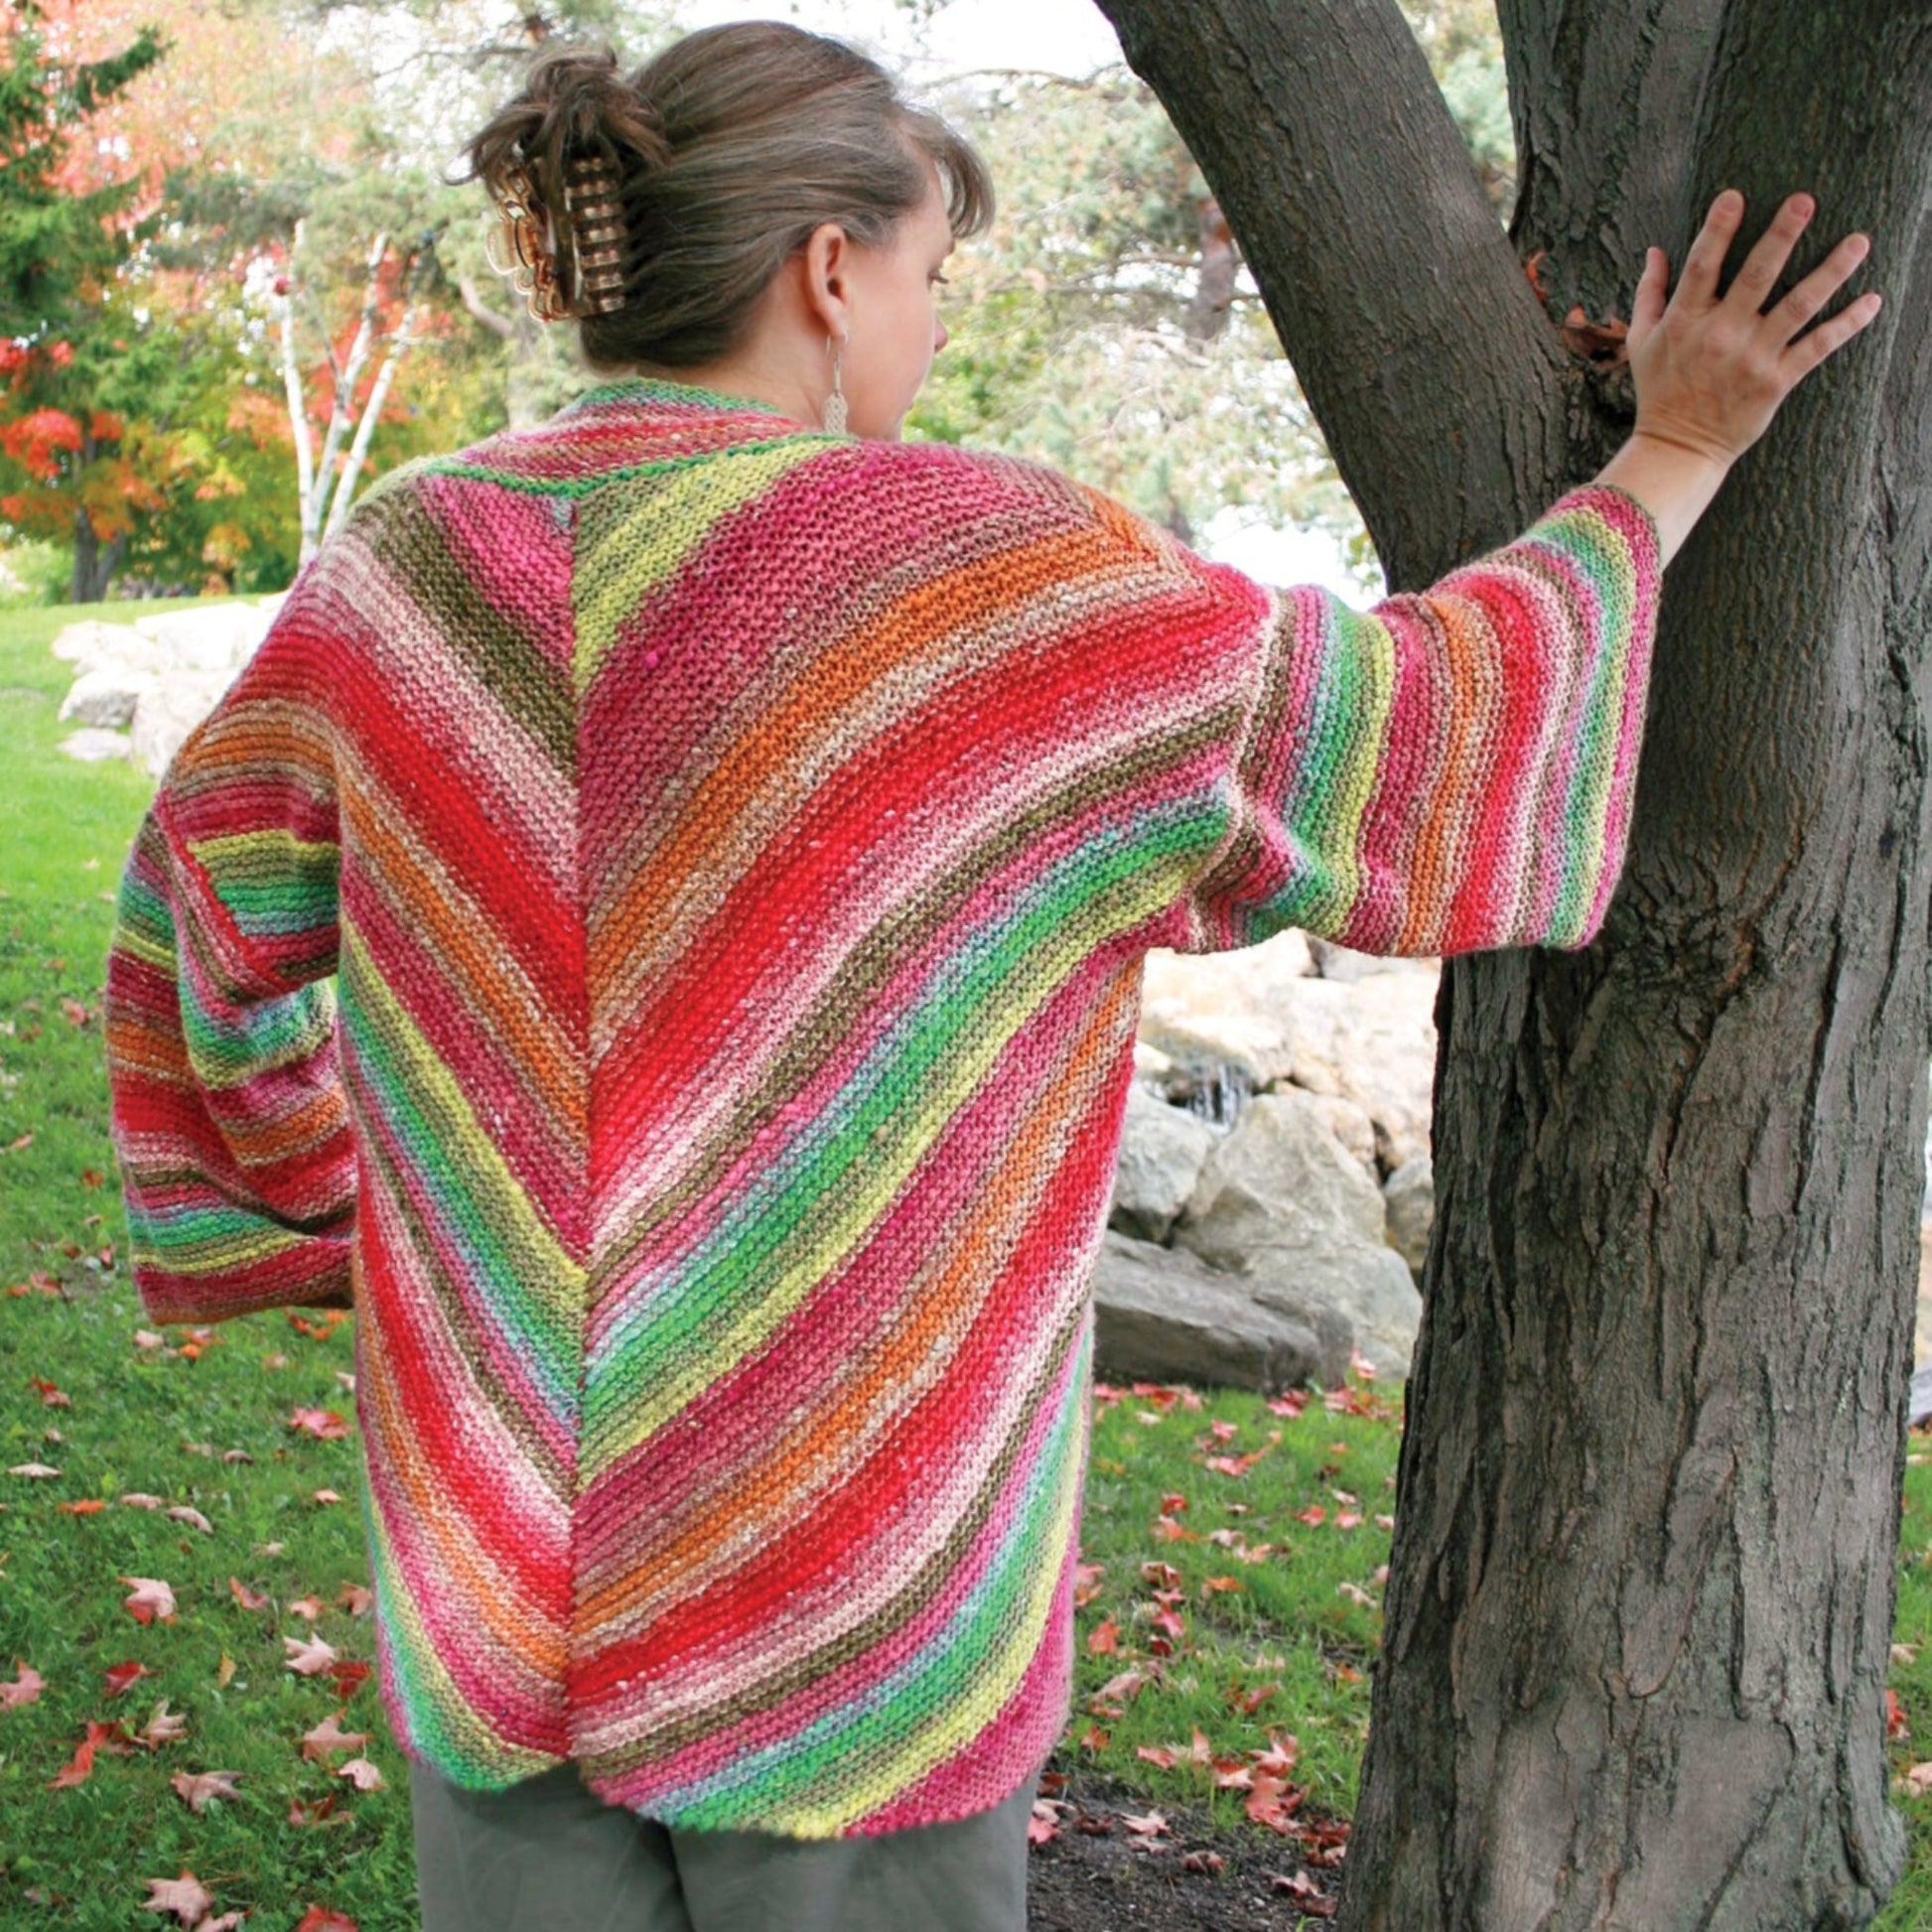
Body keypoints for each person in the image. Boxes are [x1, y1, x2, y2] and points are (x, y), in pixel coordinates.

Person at [99, 18, 1882, 1932]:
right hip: (853, 1596)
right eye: (932, 276)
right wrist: (1676, 451)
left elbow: (200, 911)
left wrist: (328, 1206)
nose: (931, 328)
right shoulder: (988, 581)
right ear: (830, 266)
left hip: (497, 1554)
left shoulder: (407, 568)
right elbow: (1426, 730)